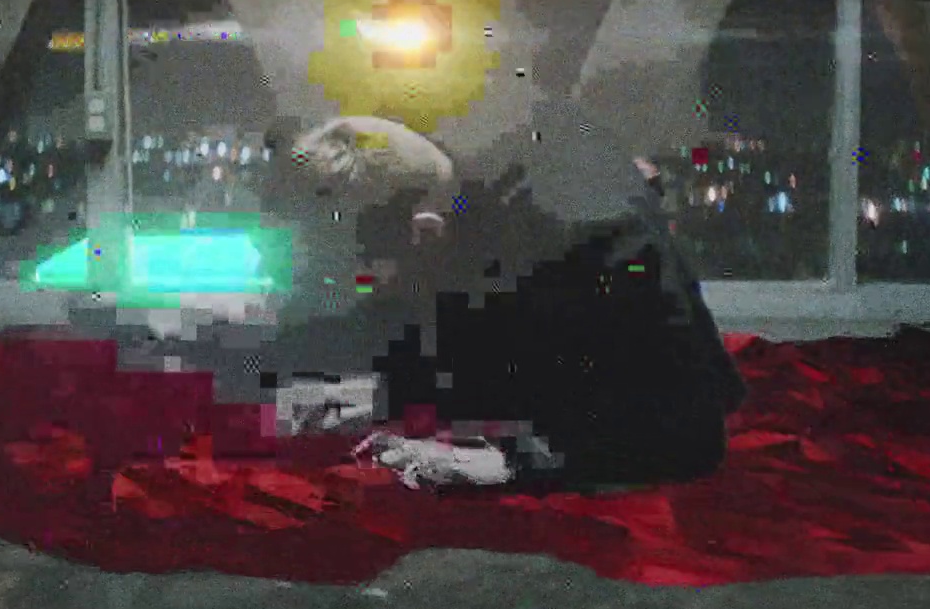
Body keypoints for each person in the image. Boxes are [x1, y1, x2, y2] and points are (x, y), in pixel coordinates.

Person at [259, 114, 746, 491]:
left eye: (370, 280)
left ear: (424, 231)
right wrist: (385, 395)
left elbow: (688, 431)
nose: (368, 298)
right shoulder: (459, 193)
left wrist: (514, 462)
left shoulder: (596, 235)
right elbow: (496, 347)